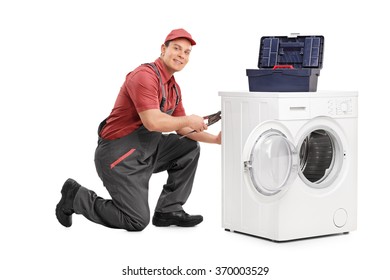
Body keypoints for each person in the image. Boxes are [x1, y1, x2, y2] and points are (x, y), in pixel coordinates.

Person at [56, 28, 221, 231]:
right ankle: (76, 196)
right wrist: (188, 120)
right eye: (177, 49)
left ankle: (168, 210)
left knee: (188, 146)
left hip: (146, 149)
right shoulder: (144, 76)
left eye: (187, 52)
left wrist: (215, 139)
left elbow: (183, 128)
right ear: (163, 49)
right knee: (136, 220)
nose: (181, 55)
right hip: (119, 156)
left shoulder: (173, 88)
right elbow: (152, 121)